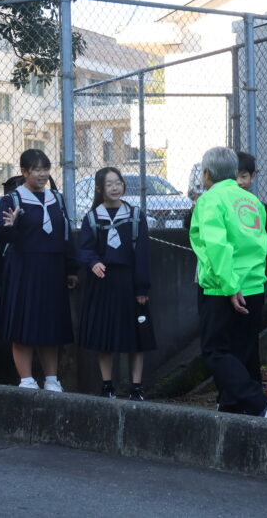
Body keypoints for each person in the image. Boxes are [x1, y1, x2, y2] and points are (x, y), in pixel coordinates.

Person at [189, 146, 267, 418]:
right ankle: (233, 407)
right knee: (243, 349)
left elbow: (217, 246)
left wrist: (230, 286)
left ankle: (258, 401)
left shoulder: (210, 200)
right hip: (254, 285)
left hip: (222, 288)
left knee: (215, 351)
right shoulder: (252, 201)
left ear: (207, 174)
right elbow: (260, 246)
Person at [0, 149, 77, 391]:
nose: (42, 174)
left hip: (53, 269)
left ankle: (52, 379)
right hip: (24, 269)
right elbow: (3, 235)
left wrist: (72, 268)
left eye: (46, 169)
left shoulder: (56, 198)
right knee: (23, 325)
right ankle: (27, 380)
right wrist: (10, 226)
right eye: (37, 169)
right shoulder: (12, 199)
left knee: (50, 326)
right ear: (24, 171)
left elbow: (65, 235)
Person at [78, 167, 154, 400]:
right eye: (109, 184)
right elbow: (84, 248)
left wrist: (142, 287)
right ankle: (107, 385)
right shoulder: (92, 218)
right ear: (99, 188)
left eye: (118, 182)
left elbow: (142, 253)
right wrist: (93, 262)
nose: (114, 187)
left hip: (129, 282)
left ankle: (136, 387)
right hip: (102, 283)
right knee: (104, 337)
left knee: (135, 337)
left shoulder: (135, 215)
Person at [235, 151, 267, 259]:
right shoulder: (223, 206)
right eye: (234, 177)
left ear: (252, 176)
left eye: (243, 176)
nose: (239, 182)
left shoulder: (263, 209)